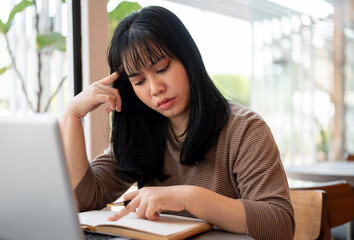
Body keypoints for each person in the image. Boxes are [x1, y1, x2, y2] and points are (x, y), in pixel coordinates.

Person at [60, 6, 295, 240]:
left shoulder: (245, 129)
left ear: (188, 58)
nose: (155, 89)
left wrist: (189, 197)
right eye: (139, 81)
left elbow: (280, 223)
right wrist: (72, 116)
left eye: (162, 69)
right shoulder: (142, 135)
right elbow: (85, 200)